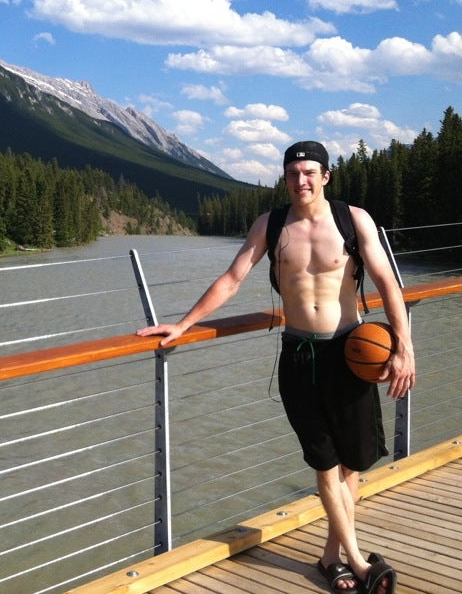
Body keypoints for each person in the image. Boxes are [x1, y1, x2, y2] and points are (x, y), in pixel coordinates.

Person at [137, 141, 415, 594]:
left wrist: (405, 348)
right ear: (284, 178)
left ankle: (331, 557)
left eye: (309, 172)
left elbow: (387, 282)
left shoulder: (353, 220)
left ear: (325, 176)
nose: (300, 180)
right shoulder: (271, 224)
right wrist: (184, 324)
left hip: (349, 354)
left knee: (351, 466)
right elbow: (233, 278)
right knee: (325, 464)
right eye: (292, 173)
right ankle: (360, 562)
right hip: (298, 356)